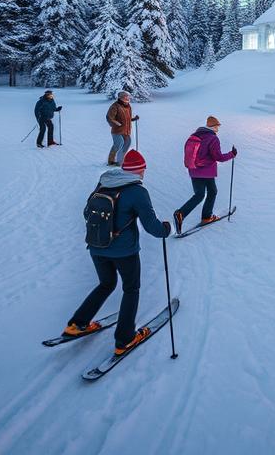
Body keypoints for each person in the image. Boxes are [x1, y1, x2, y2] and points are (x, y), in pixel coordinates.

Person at [62, 150, 171, 355]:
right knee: (131, 289)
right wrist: (165, 229)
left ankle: (77, 324)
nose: (144, 172)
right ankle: (125, 339)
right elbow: (152, 227)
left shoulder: (104, 183)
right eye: (143, 168)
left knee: (106, 283)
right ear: (138, 170)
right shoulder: (138, 192)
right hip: (124, 252)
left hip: (97, 247)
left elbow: (87, 212)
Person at [173, 116, 237, 234]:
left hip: (194, 170)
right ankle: (206, 217)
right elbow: (218, 157)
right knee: (212, 192)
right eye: (217, 126)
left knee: (200, 195)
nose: (218, 128)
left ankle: (181, 214)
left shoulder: (196, 135)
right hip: (206, 171)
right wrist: (232, 154)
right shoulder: (213, 138)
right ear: (213, 127)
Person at [106, 91, 139, 165]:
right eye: (125, 97)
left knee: (127, 143)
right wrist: (117, 124)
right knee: (118, 144)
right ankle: (111, 161)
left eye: (128, 97)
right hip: (117, 131)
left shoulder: (128, 106)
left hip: (126, 130)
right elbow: (109, 118)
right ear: (121, 98)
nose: (127, 98)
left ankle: (120, 160)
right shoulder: (115, 106)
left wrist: (134, 119)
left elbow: (127, 118)